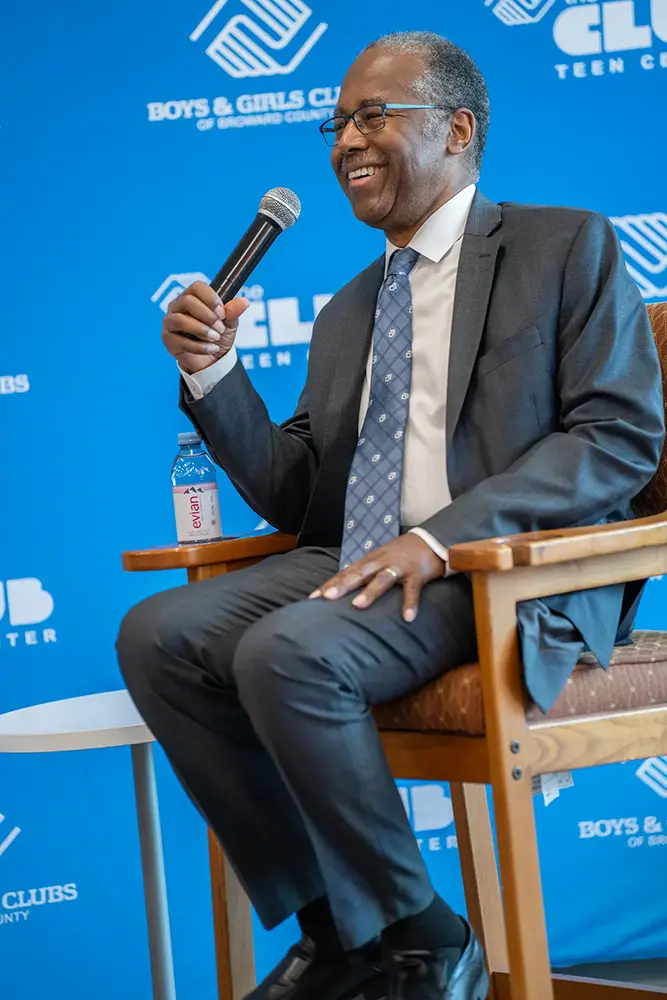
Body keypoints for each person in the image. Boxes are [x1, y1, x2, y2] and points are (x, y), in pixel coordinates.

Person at [117, 30, 664, 1000]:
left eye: (373, 115)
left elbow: (615, 438)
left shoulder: (563, 245)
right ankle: (344, 928)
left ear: (457, 129)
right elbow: (296, 493)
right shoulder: (348, 308)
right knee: (159, 632)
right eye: (336, 123)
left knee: (284, 651)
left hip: (492, 569)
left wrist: (436, 537)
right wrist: (213, 370)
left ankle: (419, 935)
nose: (345, 141)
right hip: (351, 561)